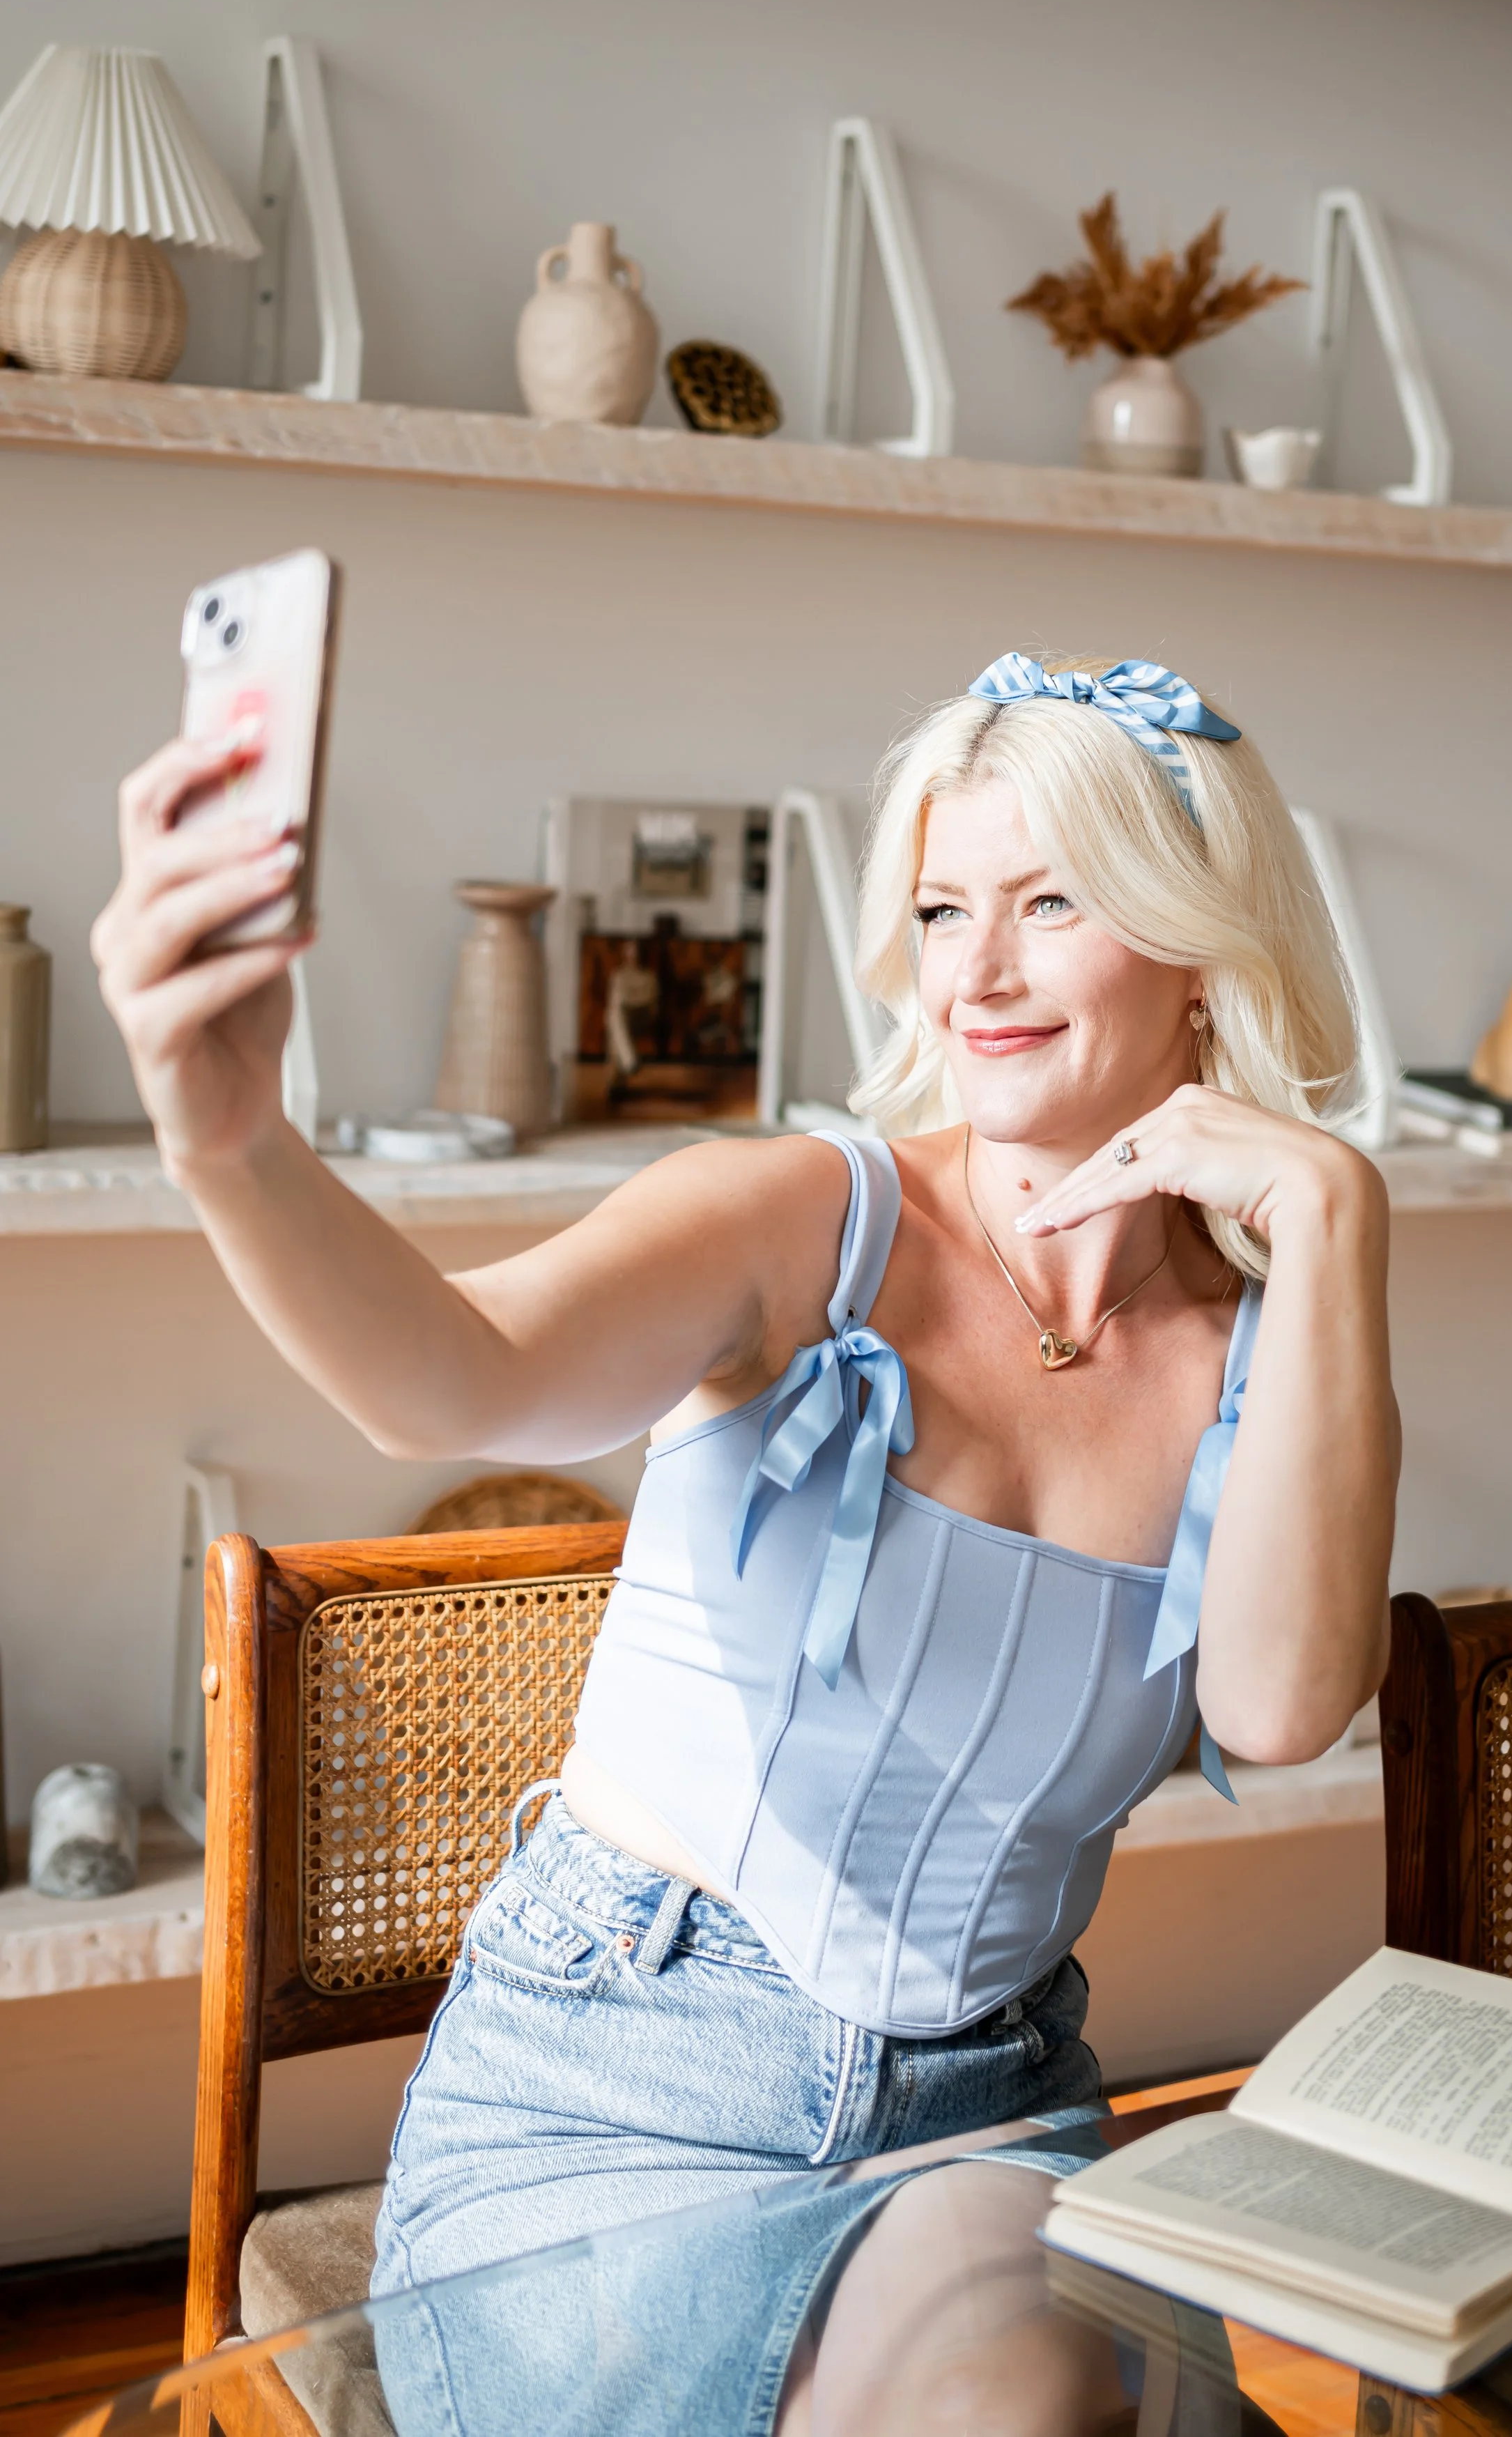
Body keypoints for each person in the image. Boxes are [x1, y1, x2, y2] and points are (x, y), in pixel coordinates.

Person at [94, 648, 1398, 2431]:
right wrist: (231, 1140)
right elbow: (446, 1375)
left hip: (985, 2109)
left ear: (1198, 950)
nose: (978, 972)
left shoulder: (1264, 1351)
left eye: (1049, 904)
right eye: (944, 908)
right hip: (616, 2093)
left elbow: (1278, 1705)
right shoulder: (802, 1219)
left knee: (1023, 2407)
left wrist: (1335, 1220)